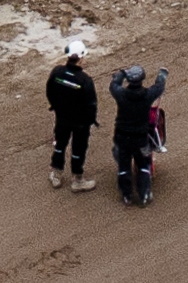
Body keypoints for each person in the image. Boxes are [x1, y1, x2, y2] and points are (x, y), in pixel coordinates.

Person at [111, 63, 165, 205]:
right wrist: (161, 76)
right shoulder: (148, 95)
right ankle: (144, 195)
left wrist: (123, 72)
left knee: (123, 166)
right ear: (142, 79)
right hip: (141, 139)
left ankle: (126, 196)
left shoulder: (121, 94)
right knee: (143, 165)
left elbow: (114, 84)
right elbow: (159, 87)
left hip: (121, 137)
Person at [46, 50, 100, 188]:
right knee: (78, 149)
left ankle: (56, 174)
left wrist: (56, 106)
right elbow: (91, 104)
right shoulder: (85, 80)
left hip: (62, 118)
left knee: (60, 145)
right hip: (80, 123)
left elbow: (49, 90)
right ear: (80, 60)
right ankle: (78, 180)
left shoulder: (57, 72)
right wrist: (90, 120)